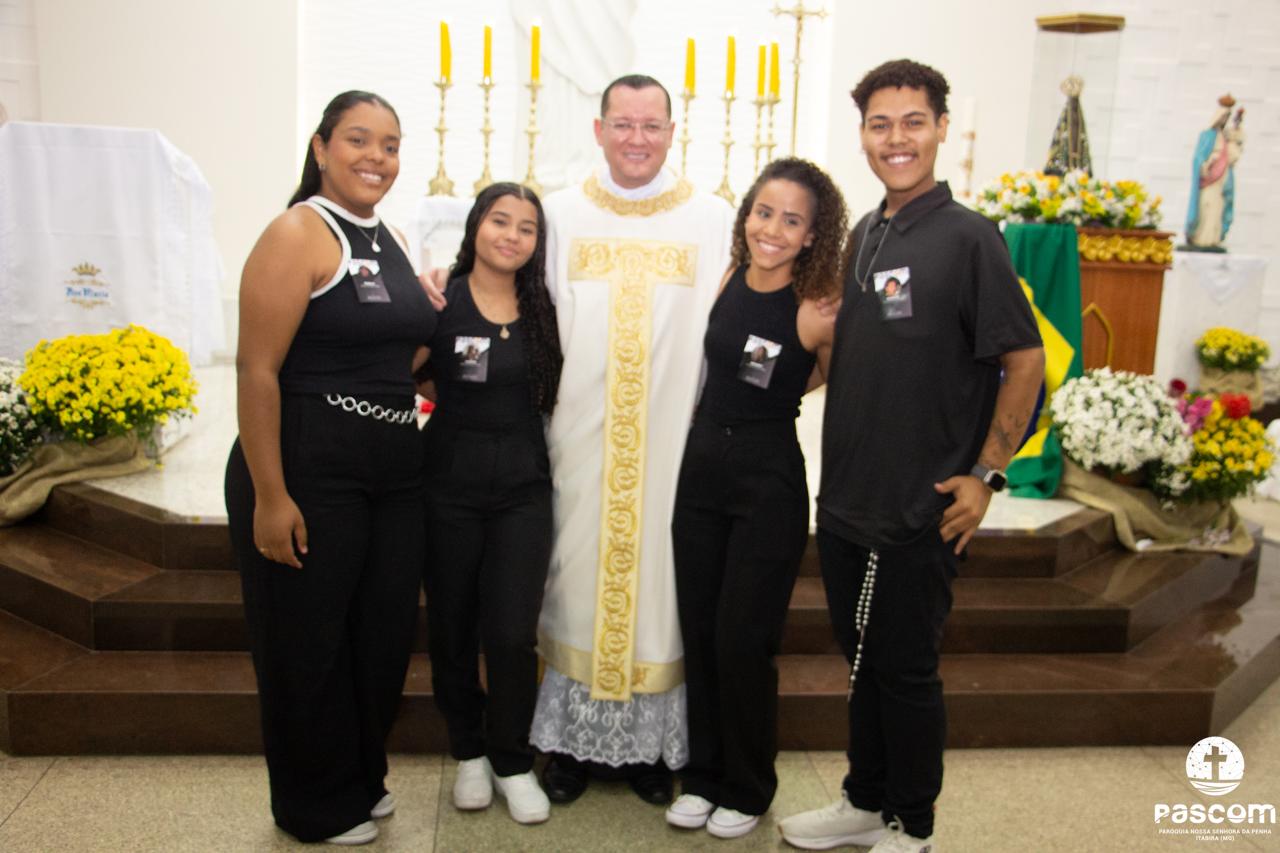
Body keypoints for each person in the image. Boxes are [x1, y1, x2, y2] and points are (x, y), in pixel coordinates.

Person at [778, 60, 1044, 852]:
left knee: (904, 667)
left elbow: (1025, 359)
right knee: (862, 659)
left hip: (920, 504)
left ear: (940, 129)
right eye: (880, 124)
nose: (896, 139)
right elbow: (849, 356)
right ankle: (865, 798)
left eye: (913, 122)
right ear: (863, 135)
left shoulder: (969, 238)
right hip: (849, 496)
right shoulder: (866, 232)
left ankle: (912, 821)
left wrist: (986, 474)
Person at [224, 90, 434, 846]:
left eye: (390, 145)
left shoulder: (393, 237)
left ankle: (359, 778)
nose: (376, 157)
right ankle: (313, 802)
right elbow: (256, 369)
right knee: (307, 642)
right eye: (358, 140)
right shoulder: (296, 232)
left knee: (379, 638)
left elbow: (399, 354)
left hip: (392, 473)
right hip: (309, 465)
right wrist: (270, 494)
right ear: (320, 147)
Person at [529, 74, 735, 804]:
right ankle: (569, 747)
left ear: (673, 132)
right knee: (574, 582)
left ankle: (647, 749)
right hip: (579, 440)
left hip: (670, 443)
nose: (637, 139)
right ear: (599, 130)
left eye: (651, 126)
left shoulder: (713, 219)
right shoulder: (558, 214)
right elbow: (530, 315)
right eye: (623, 124)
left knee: (659, 588)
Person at [665, 157, 847, 839]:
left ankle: (746, 787)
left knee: (743, 640)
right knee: (700, 631)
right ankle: (703, 777)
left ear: (812, 235)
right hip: (700, 475)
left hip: (767, 483)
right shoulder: (726, 278)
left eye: (791, 220)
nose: (772, 229)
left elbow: (835, 383)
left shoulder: (817, 309)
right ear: (747, 216)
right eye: (764, 212)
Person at [418, 183, 562, 825]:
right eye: (500, 221)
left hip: (522, 491)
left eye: (526, 228)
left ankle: (511, 759)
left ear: (537, 242)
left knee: (511, 633)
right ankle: (469, 751)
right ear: (476, 225)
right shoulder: (439, 300)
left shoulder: (545, 309)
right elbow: (406, 370)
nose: (512, 235)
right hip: (448, 487)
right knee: (452, 625)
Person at [1186, 94, 1244, 250]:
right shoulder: (1207, 135)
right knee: (1206, 207)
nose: (1224, 120)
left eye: (1227, 117)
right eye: (1223, 116)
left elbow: (1233, 155)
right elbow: (1198, 158)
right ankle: (1200, 238)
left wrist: (1237, 131)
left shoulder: (1225, 137)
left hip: (1221, 181)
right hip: (1209, 179)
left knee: (1217, 210)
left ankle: (1213, 239)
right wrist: (1207, 164)